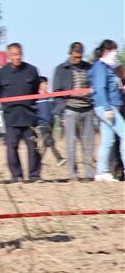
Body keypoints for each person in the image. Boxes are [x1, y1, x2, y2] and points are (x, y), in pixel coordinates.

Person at [0, 43, 41, 183]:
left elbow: (35, 90)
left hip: (29, 116)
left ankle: (34, 175)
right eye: (14, 55)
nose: (17, 57)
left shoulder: (31, 70)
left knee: (33, 148)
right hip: (11, 117)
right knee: (11, 149)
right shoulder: (1, 73)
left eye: (19, 54)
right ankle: (17, 176)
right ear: (8, 56)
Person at [52, 42, 94, 180]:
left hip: (87, 109)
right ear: (70, 54)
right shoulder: (61, 69)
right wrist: (62, 110)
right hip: (70, 109)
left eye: (80, 57)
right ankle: (73, 174)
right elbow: (57, 92)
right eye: (75, 57)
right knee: (71, 143)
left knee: (88, 143)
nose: (78, 60)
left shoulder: (89, 68)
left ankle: (89, 173)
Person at [89, 40, 125, 181]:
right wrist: (107, 108)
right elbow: (99, 88)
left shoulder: (108, 67)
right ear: (106, 51)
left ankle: (101, 172)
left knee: (107, 141)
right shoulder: (100, 67)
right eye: (114, 51)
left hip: (109, 106)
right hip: (106, 106)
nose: (115, 54)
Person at [35, 76, 66, 168]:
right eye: (44, 83)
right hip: (41, 124)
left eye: (47, 83)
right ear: (39, 85)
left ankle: (37, 162)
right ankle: (59, 158)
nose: (46, 85)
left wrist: (61, 117)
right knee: (50, 141)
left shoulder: (50, 97)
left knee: (46, 144)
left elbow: (56, 109)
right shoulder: (36, 98)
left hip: (50, 123)